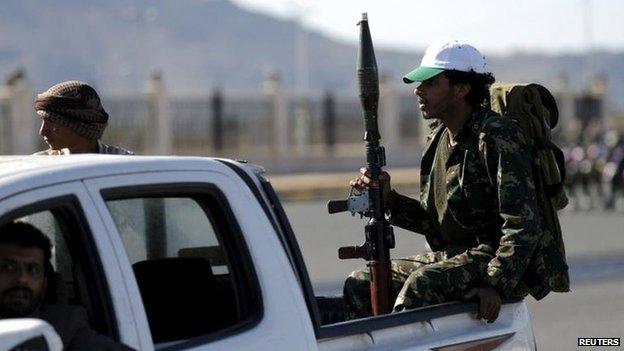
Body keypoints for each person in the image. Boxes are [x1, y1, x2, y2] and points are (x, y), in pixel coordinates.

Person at [344, 40, 568, 322]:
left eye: (431, 83)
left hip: (493, 256)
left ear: (462, 89)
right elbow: (435, 223)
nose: (418, 90)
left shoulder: (497, 137)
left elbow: (522, 226)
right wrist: (388, 199)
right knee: (362, 283)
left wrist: (494, 284)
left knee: (421, 285)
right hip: (455, 254)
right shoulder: (438, 140)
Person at [0, 221, 135, 350]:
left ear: (45, 282)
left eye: (33, 270)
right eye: (8, 267)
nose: (22, 279)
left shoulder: (64, 326)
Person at [34, 80, 133, 155]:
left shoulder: (123, 165)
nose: (43, 131)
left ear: (78, 126)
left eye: (51, 122)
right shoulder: (41, 167)